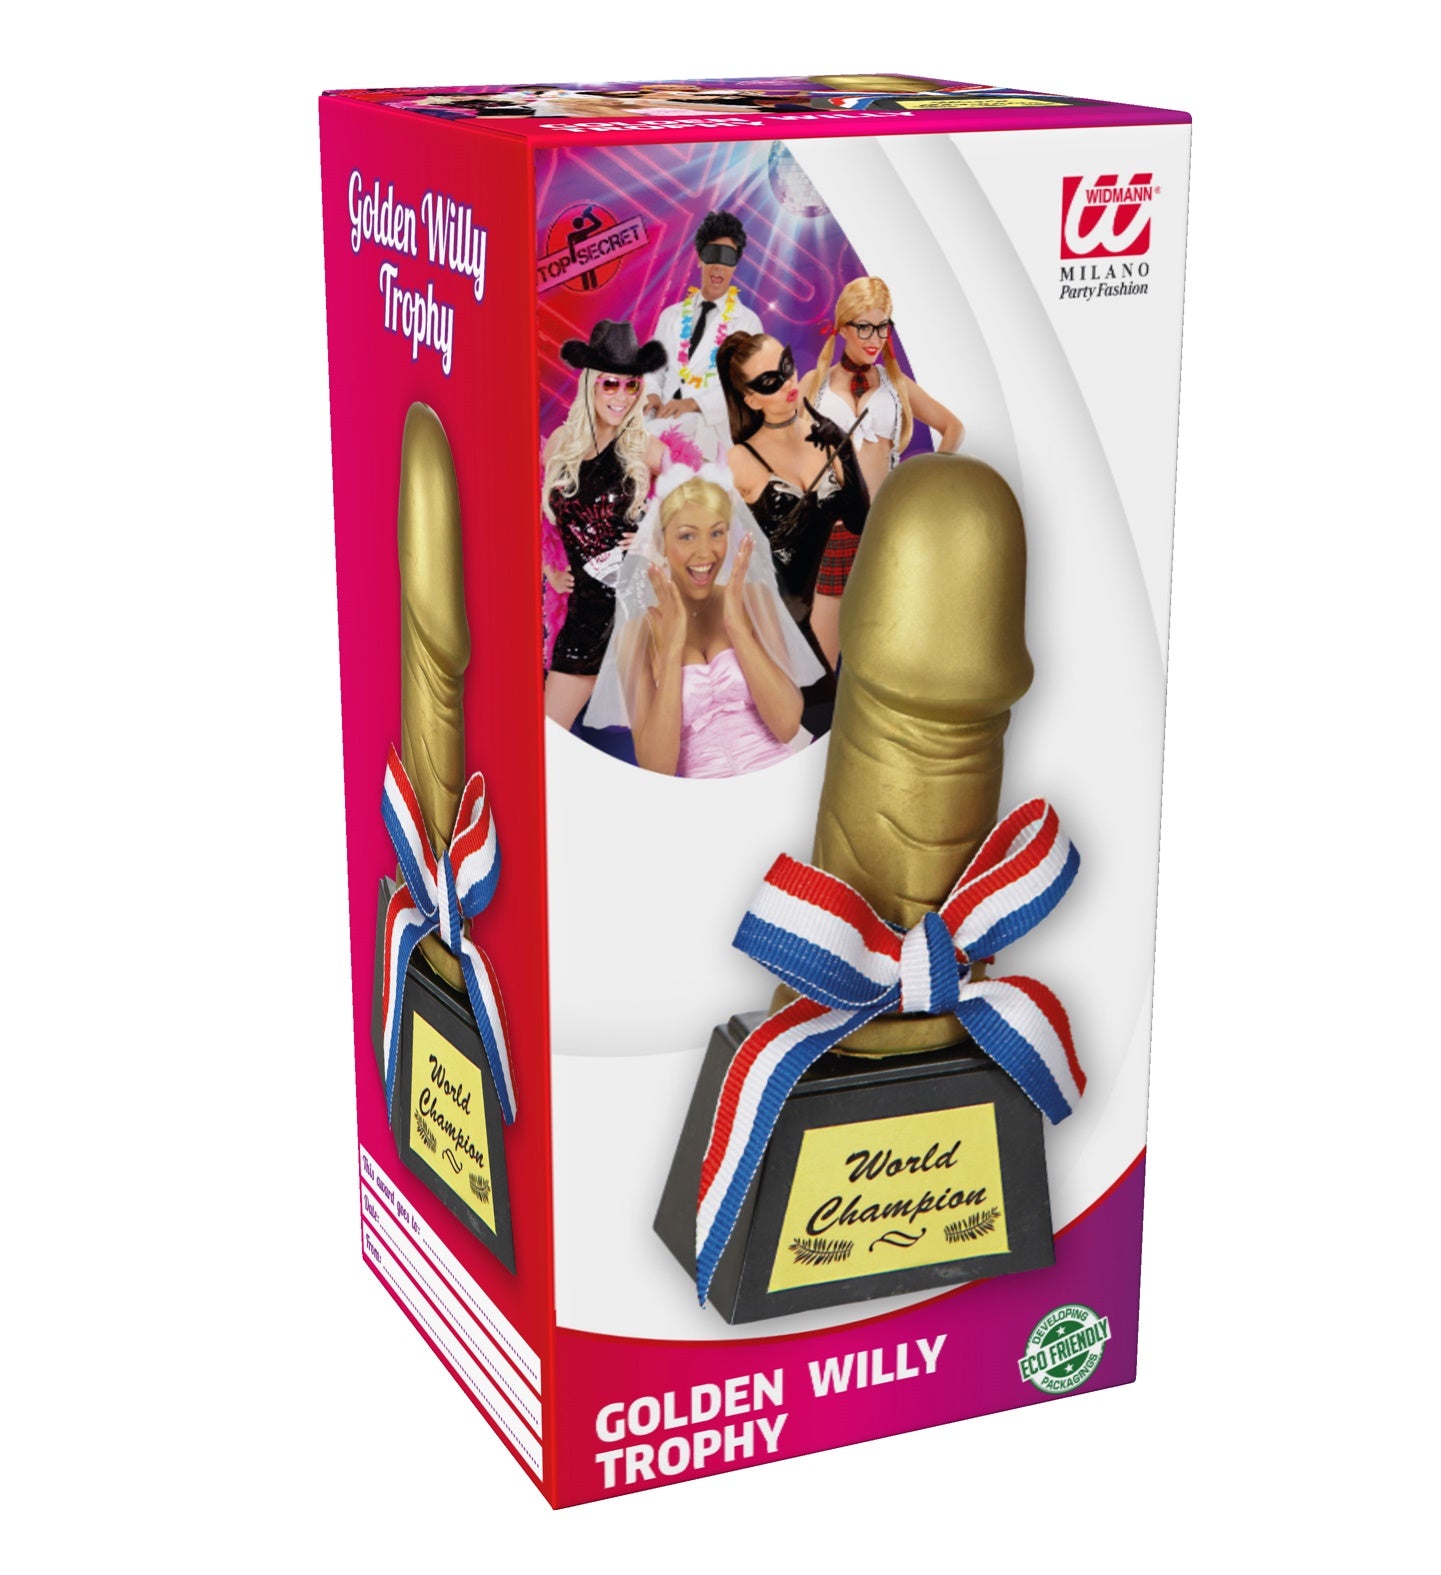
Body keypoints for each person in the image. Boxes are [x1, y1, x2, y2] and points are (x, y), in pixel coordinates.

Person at [589, 466, 824, 778]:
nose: (705, 552)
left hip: (779, 782)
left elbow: (787, 726)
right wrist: (672, 649)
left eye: (716, 533)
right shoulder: (637, 634)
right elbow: (657, 767)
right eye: (687, 535)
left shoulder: (754, 599)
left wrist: (737, 628)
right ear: (660, 541)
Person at [800, 276, 964, 666]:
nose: (875, 338)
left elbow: (952, 427)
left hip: (884, 530)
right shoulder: (814, 384)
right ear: (843, 327)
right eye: (864, 327)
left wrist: (926, 483)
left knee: (884, 655)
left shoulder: (896, 385)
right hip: (833, 531)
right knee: (822, 662)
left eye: (882, 326)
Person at [716, 332, 869, 674]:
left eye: (786, 366)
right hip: (761, 629)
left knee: (826, 703)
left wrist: (844, 449)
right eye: (770, 381)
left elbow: (860, 521)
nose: (787, 381)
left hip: (800, 628)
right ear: (752, 400)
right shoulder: (739, 460)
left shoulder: (826, 438)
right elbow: (710, 548)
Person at [542, 320, 666, 729]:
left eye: (632, 386)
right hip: (583, 615)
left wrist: (656, 538)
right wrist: (549, 568)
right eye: (610, 384)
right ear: (590, 383)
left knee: (654, 744)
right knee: (546, 735)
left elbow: (705, 499)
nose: (621, 396)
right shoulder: (560, 445)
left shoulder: (645, 449)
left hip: (633, 611)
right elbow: (525, 517)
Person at [643, 211, 763, 460]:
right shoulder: (671, 315)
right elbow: (653, 367)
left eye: (727, 257)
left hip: (709, 434)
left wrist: (693, 403)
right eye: (711, 254)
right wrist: (652, 394)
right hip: (660, 420)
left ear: (735, 264)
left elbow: (744, 387)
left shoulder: (748, 323)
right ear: (699, 258)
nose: (718, 265)